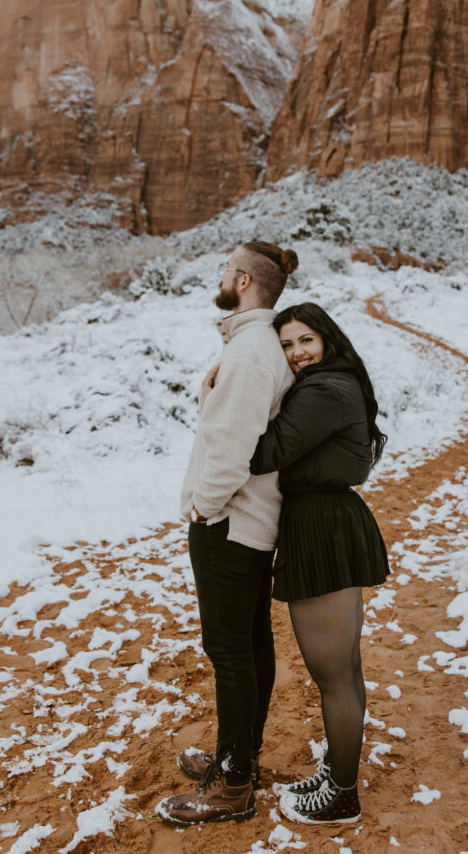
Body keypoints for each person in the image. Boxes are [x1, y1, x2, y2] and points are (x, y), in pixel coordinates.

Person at [155, 241, 298, 828]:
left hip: (230, 523)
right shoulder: (253, 344)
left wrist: (204, 508)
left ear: (242, 281)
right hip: (245, 523)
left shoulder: (251, 351)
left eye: (223, 269)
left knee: (230, 650)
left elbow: (232, 447)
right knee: (249, 643)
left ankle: (234, 784)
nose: (218, 275)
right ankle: (236, 758)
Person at [249, 302, 390, 826]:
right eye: (286, 345)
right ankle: (338, 772)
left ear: (327, 338)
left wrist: (226, 400)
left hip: (323, 528)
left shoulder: (326, 388)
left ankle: (343, 798)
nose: (297, 353)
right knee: (346, 669)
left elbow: (268, 451)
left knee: (334, 675)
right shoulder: (336, 382)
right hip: (330, 520)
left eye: (305, 340)